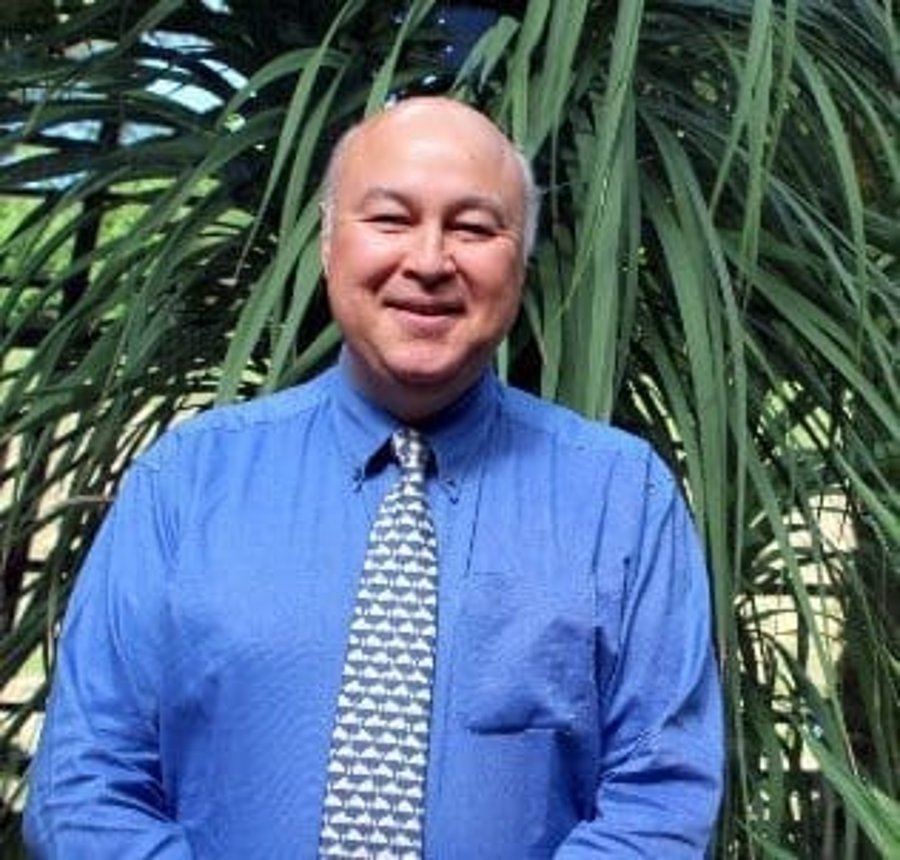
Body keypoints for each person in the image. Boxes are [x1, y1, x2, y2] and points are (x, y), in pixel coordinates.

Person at [24, 97, 723, 858]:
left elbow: (659, 803)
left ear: (518, 264)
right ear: (329, 247)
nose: (428, 262)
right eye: (390, 220)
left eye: (473, 227)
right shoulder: (184, 487)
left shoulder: (623, 500)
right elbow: (83, 789)